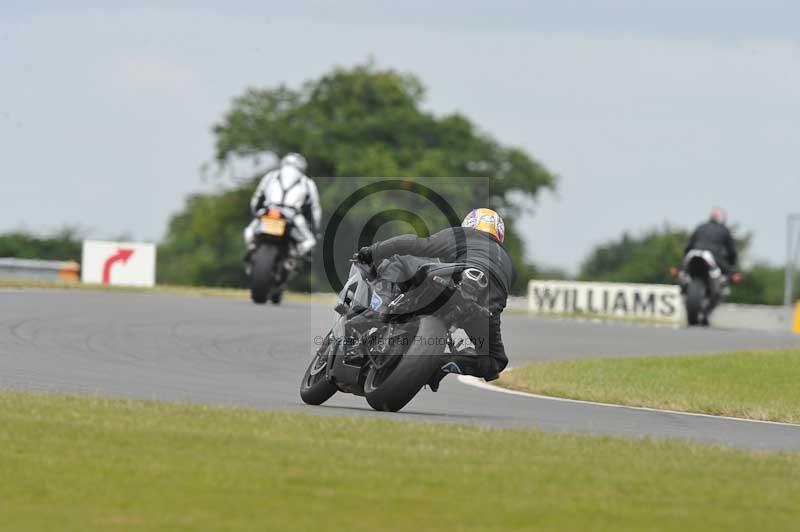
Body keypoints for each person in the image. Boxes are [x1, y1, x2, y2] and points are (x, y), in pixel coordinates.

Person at [356, 208, 515, 390]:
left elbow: (418, 244)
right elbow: (499, 302)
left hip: (454, 280)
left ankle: (382, 305)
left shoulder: (463, 234)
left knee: (401, 259)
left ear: (470, 224)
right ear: (499, 234)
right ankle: (440, 364)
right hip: (484, 306)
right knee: (494, 361)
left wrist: (373, 251)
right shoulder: (508, 262)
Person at [244, 153, 322, 259]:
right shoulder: (307, 182)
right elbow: (314, 209)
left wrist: (256, 213)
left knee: (249, 231)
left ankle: (252, 247)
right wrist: (315, 230)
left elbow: (257, 198)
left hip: (269, 210)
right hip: (292, 215)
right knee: (310, 241)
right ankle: (293, 256)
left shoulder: (270, 176)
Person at [684, 207, 737, 275]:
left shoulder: (700, 227)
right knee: (729, 273)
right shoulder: (724, 230)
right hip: (713, 257)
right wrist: (732, 265)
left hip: (693, 254)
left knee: (682, 269)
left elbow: (688, 246)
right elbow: (732, 251)